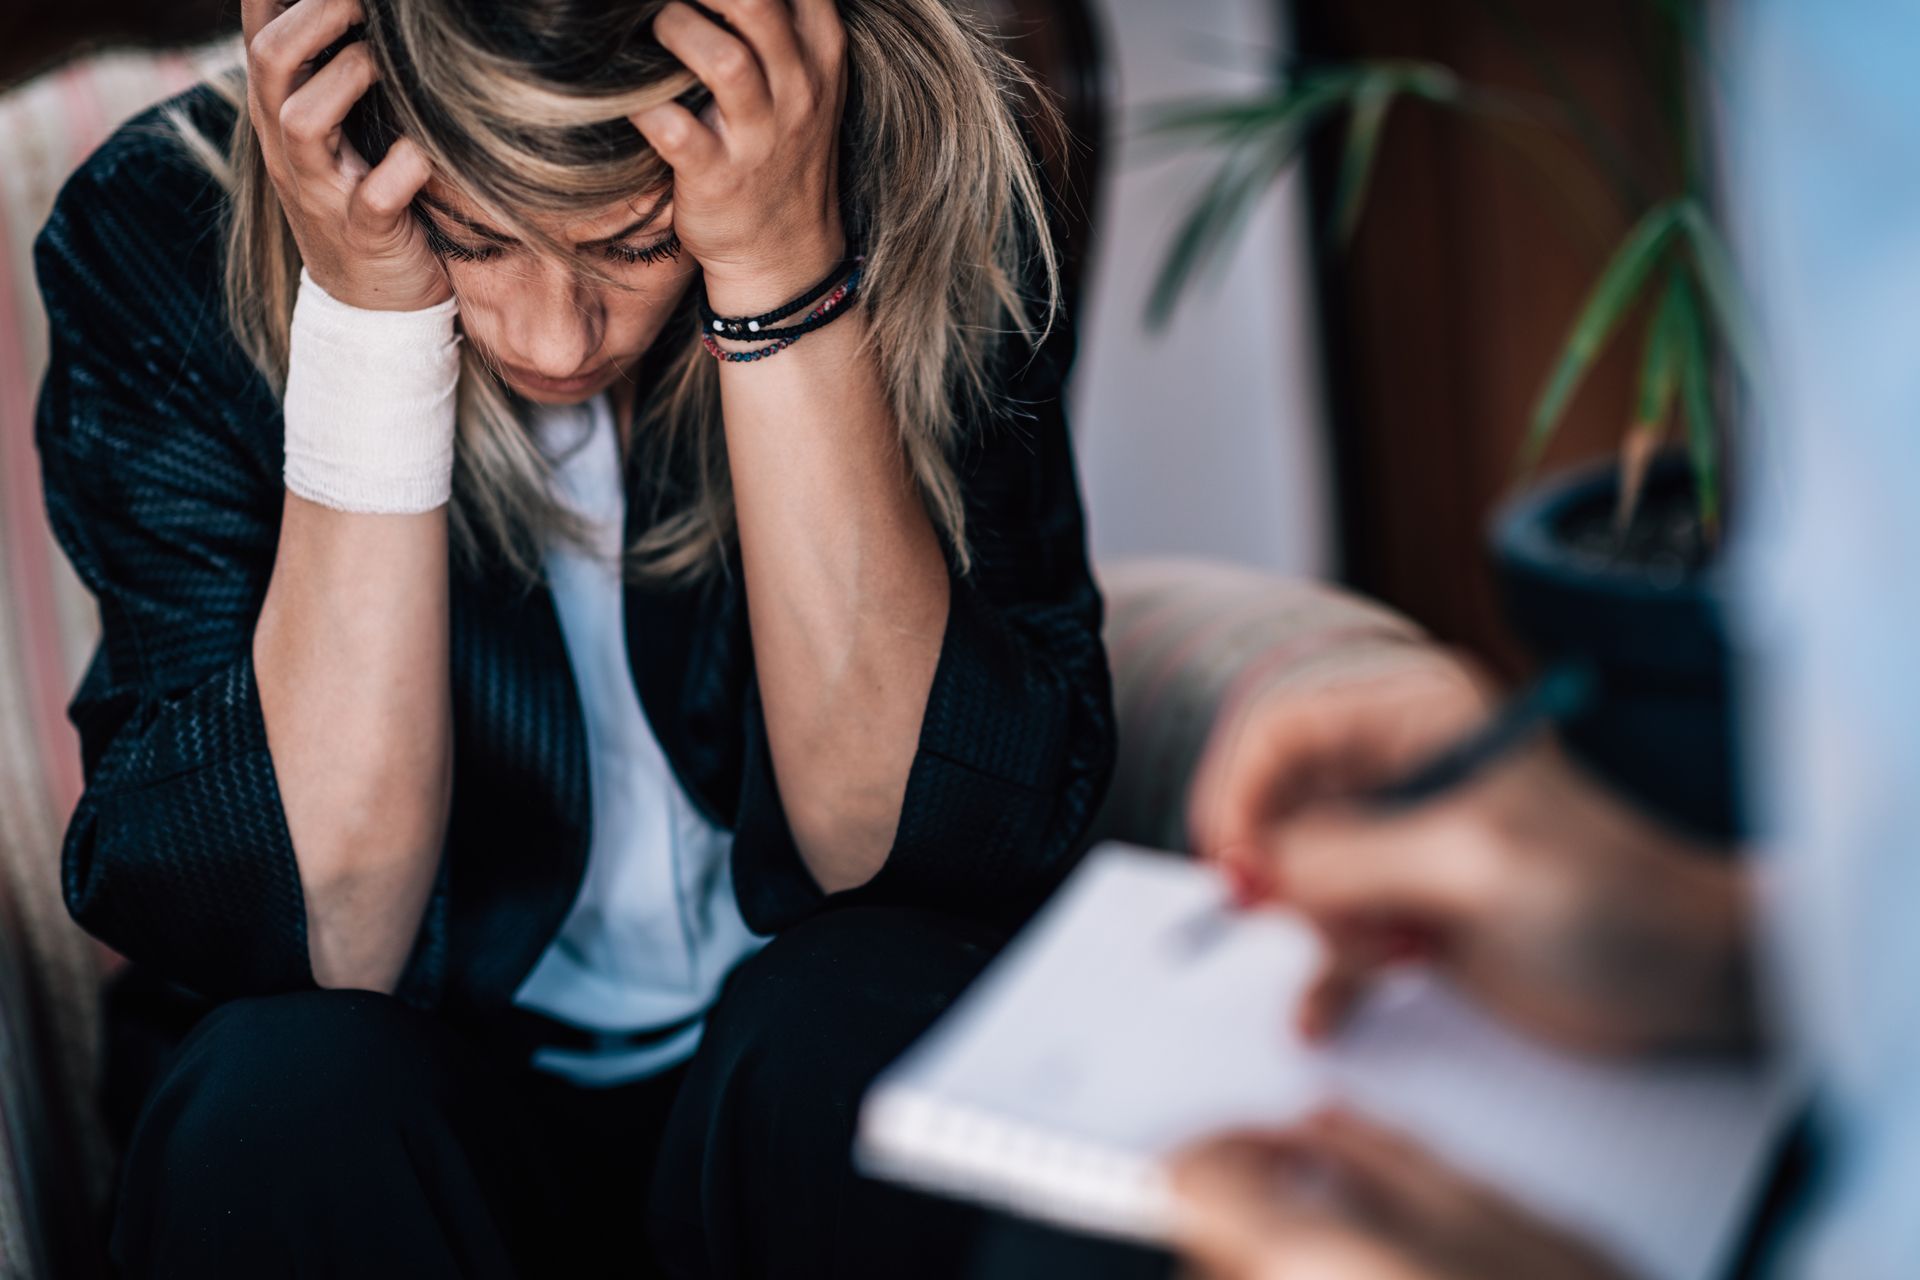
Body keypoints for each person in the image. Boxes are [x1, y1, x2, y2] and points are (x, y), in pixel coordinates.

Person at [31, 0, 1114, 1274]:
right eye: (476, 239)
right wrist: (372, 323)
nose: (556, 336)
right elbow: (332, 932)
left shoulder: (918, 169)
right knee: (289, 1090)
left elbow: (901, 847)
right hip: (401, 1118)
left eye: (638, 241)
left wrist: (777, 272)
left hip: (787, 1092)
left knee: (859, 1029)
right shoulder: (159, 226)